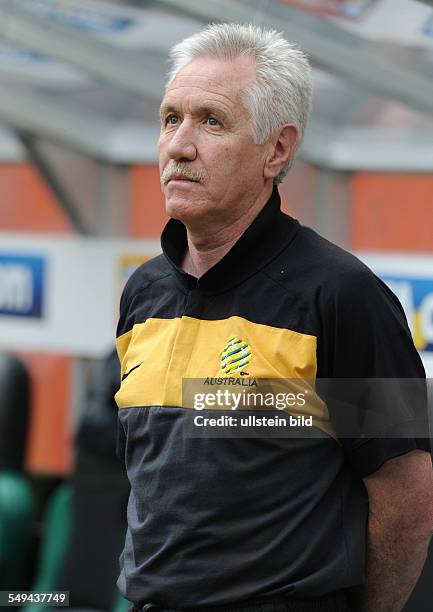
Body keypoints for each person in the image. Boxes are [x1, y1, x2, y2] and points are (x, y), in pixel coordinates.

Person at [115, 23, 433, 612]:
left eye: (211, 121)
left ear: (278, 150)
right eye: (170, 118)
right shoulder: (144, 292)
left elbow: (407, 501)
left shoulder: (343, 296)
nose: (179, 145)